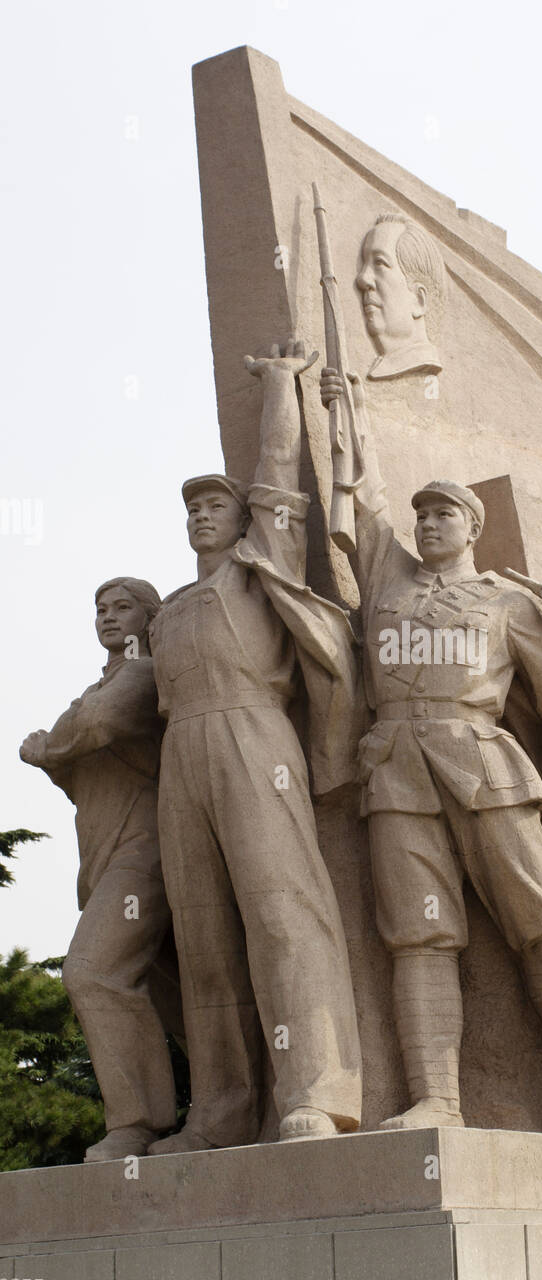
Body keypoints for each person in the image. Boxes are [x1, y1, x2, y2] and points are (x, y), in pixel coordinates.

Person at [319, 365, 542, 1139]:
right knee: (419, 935)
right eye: (422, 514)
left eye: (444, 514)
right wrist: (344, 410)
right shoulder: (389, 580)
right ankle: (438, 1098)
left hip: (485, 764)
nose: (428, 524)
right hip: (397, 766)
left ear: (472, 527)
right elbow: (357, 496)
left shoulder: (508, 600)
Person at [146, 342, 363, 1155]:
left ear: (240, 520)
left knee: (283, 911)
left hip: (253, 732)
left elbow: (278, 480)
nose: (203, 515)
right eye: (193, 508)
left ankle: (319, 1091)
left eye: (215, 505)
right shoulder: (171, 609)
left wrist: (282, 384)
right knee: (203, 933)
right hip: (184, 750)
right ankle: (223, 1111)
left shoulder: (255, 565)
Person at [20, 577, 177, 1161]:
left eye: (123, 607)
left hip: (147, 856)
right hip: (105, 860)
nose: (109, 617)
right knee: (171, 999)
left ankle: (135, 1125)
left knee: (92, 971)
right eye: (101, 609)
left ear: (150, 615)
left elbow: (95, 725)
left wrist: (47, 745)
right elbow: (81, 762)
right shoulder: (101, 683)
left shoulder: (142, 672)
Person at [355, 213, 445, 379]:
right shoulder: (381, 366)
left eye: (380, 263)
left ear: (419, 300)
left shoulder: (420, 365)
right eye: (365, 262)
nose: (362, 279)